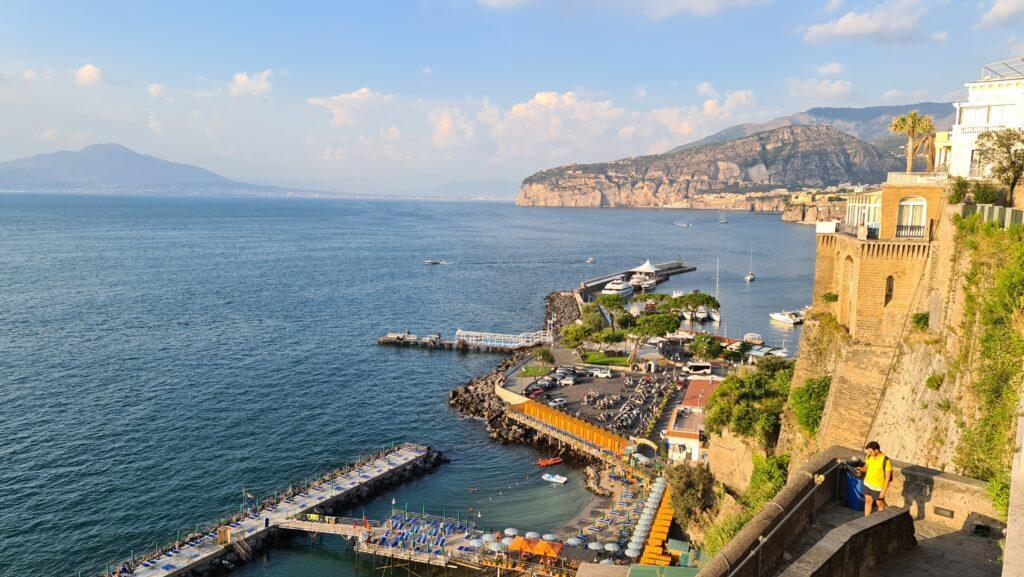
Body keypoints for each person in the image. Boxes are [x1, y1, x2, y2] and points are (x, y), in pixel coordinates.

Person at [858, 441, 892, 516]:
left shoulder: (886, 461)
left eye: (870, 451)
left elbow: (887, 478)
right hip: (867, 483)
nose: (869, 453)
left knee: (879, 504)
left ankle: (880, 520)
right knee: (868, 501)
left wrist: (883, 491)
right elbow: (867, 468)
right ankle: (867, 519)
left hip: (877, 487)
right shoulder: (870, 456)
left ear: (876, 450)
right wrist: (860, 469)